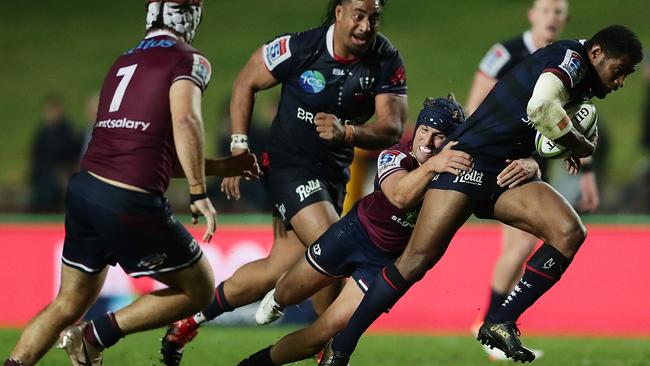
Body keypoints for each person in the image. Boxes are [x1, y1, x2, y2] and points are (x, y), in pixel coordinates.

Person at [321, 25, 643, 365]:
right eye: (619, 70)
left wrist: (535, 160)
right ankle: (342, 345)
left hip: (503, 172)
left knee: (568, 231)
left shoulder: (582, 77)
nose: (620, 81)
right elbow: (542, 106)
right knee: (415, 262)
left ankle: (499, 320)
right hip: (467, 163)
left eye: (626, 75)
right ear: (596, 54)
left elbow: (531, 125)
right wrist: (578, 142)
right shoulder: (572, 60)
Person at [3, 1, 259, 365]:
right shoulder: (188, 59)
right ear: (189, 15)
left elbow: (154, 155)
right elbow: (186, 120)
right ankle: (93, 336)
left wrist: (221, 166)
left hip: (86, 190)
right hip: (129, 200)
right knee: (200, 286)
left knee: (68, 302)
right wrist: (200, 192)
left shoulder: (122, 61)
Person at [160, 1, 409, 364]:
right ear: (338, 12)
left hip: (332, 177)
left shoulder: (386, 59)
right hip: (287, 166)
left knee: (275, 269)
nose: (365, 26)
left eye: (373, 18)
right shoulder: (300, 47)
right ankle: (328, 349)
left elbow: (392, 127)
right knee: (335, 245)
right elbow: (246, 81)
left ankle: (191, 318)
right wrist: (239, 147)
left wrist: (348, 132)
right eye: (358, 15)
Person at [237, 96, 542, 366]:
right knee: (287, 293)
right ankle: (277, 297)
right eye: (424, 130)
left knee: (323, 333)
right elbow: (399, 196)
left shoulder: (457, 170)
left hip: (382, 264)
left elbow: (501, 172)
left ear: (452, 141)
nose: (428, 140)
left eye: (439, 136)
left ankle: (254, 364)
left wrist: (532, 163)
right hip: (352, 235)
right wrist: (434, 166)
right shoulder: (395, 156)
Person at [465, 0, 599, 360]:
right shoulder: (505, 53)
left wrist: (584, 170)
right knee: (520, 245)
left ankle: (494, 322)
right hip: (499, 160)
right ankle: (490, 323)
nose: (553, 17)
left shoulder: (575, 64)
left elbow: (576, 120)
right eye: (547, 9)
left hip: (533, 164)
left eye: (559, 12)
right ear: (532, 14)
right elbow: (476, 105)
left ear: (565, 20)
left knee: (523, 244)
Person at [29, 93, 82, 213]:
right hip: (43, 175)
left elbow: (72, 155)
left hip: (61, 175)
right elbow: (36, 154)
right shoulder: (42, 131)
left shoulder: (68, 131)